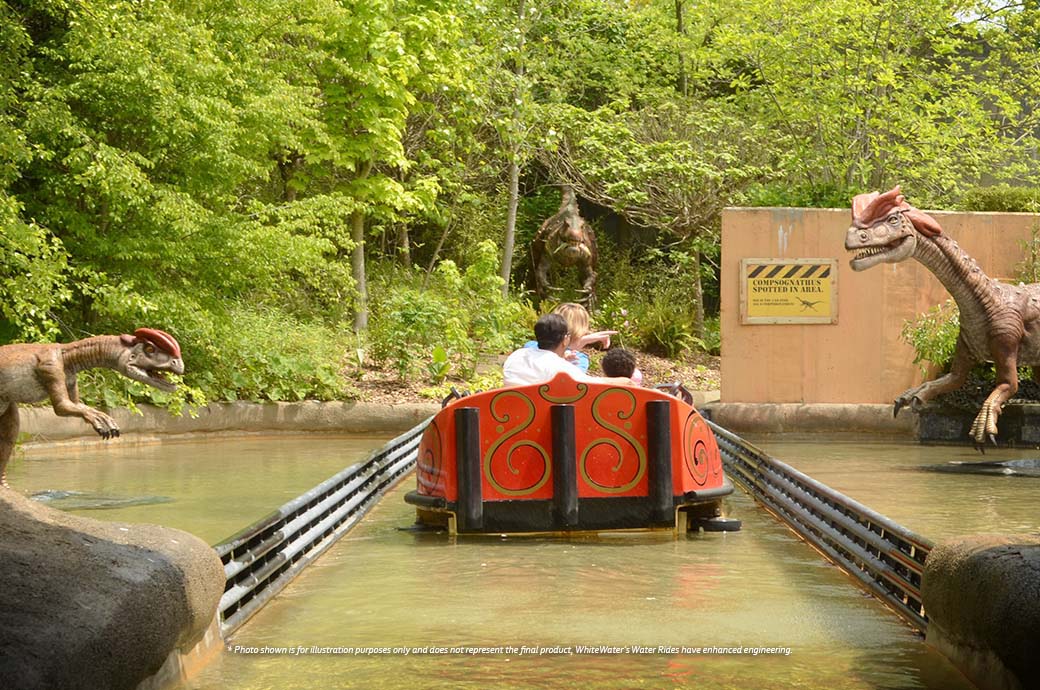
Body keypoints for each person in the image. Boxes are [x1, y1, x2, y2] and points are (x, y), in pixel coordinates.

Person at [504, 314, 632, 387]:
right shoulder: (561, 368)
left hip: (510, 419)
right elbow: (597, 383)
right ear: (565, 340)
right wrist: (626, 381)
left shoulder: (517, 355)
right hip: (541, 423)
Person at [522, 302, 616, 372]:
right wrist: (578, 343)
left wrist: (574, 345)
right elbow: (575, 386)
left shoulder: (530, 347)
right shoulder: (579, 359)